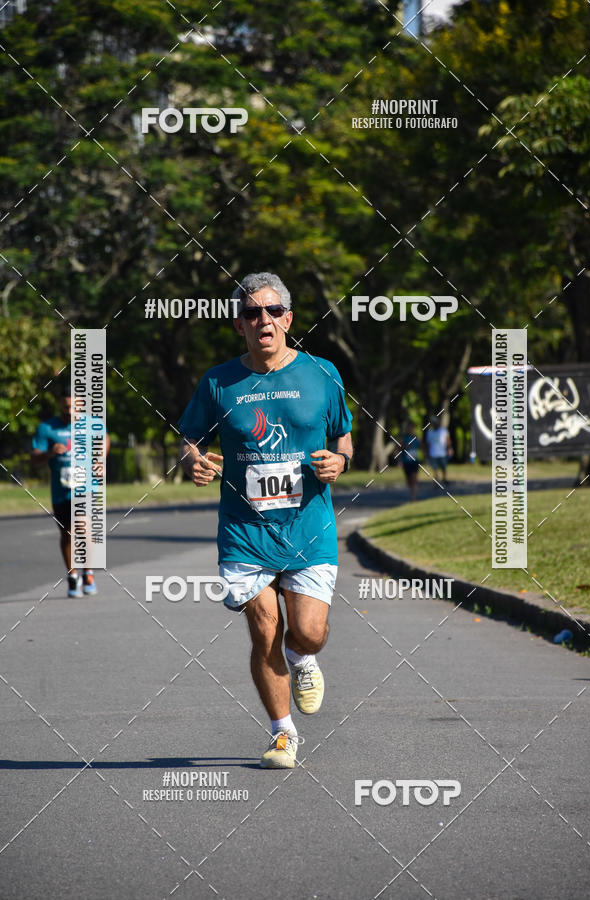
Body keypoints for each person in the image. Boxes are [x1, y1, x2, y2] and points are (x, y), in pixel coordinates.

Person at [178, 272, 353, 769]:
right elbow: (189, 436)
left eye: (273, 311)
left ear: (289, 319)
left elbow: (344, 437)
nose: (264, 321)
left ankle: (303, 658)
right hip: (245, 530)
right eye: (253, 313)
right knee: (264, 629)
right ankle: (283, 734)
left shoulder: (323, 374)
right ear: (240, 324)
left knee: (310, 631)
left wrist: (339, 463)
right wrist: (193, 459)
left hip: (308, 527)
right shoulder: (218, 382)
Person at [31, 386, 110, 598]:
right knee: (67, 533)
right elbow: (34, 457)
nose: (70, 411)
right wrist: (49, 452)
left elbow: (104, 439)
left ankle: (89, 572)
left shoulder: (93, 423)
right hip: (61, 490)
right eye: (66, 407)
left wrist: (100, 459)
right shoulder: (47, 428)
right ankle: (73, 575)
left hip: (87, 487)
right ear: (60, 404)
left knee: (83, 528)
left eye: (74, 407)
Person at [425, 415, 453, 487]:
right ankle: (436, 481)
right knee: (435, 469)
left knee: (443, 467)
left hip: (442, 453)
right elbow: (428, 444)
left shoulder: (443, 431)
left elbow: (448, 441)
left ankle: (444, 479)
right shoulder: (430, 432)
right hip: (433, 453)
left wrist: (449, 448)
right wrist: (427, 453)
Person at [400, 421, 420, 502]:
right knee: (409, 481)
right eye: (409, 428)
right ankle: (412, 491)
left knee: (414, 479)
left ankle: (413, 499)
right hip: (406, 462)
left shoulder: (417, 438)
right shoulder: (404, 438)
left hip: (414, 462)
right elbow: (399, 449)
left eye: (412, 428)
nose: (410, 429)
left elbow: (422, 447)